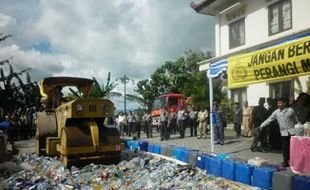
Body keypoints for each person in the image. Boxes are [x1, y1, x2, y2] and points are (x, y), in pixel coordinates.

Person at [258, 98, 299, 167]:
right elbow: (270, 119)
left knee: (293, 147)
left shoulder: (290, 110)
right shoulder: (276, 112)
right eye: (278, 103)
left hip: (293, 132)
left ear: (284, 103)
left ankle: (294, 162)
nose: (278, 104)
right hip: (284, 133)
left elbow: (296, 120)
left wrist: (299, 128)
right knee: (285, 148)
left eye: (280, 103)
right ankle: (286, 162)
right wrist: (262, 125)